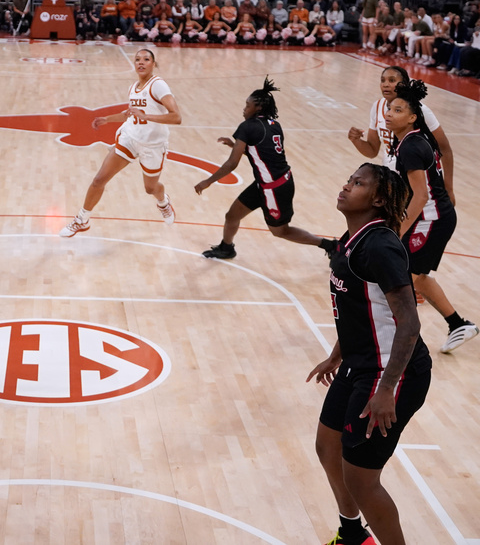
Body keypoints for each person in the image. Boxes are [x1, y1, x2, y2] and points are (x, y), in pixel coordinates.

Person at [308, 163, 431, 545]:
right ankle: (353, 535)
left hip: (393, 372)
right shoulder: (351, 238)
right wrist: (336, 354)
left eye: (357, 183)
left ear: (378, 200)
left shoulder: (379, 246)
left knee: (361, 478)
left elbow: (409, 323)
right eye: (349, 179)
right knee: (327, 445)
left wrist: (388, 388)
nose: (346, 186)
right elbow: (360, 308)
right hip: (360, 363)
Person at [195, 79, 335, 259]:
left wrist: (208, 181)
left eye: (247, 105)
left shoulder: (247, 127)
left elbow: (232, 164)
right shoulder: (275, 126)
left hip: (274, 189)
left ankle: (329, 245)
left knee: (280, 231)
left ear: (258, 108)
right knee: (232, 216)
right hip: (268, 183)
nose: (244, 109)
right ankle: (226, 247)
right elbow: (264, 157)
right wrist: (236, 146)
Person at [385, 79, 477, 353]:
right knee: (418, 276)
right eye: (390, 108)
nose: (390, 113)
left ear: (413, 118)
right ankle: (458, 324)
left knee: (404, 278)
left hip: (431, 219)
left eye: (398, 110)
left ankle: (401, 340)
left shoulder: (412, 147)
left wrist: (399, 229)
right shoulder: (410, 141)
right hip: (432, 216)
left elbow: (421, 196)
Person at [61, 48, 180, 237]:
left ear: (153, 64)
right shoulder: (133, 87)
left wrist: (146, 116)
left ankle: (163, 202)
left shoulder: (158, 85)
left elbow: (176, 117)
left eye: (146, 59)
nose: (141, 62)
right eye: (137, 59)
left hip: (153, 145)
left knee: (150, 188)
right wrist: (107, 119)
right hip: (130, 138)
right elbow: (130, 114)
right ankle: (82, 219)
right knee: (99, 179)